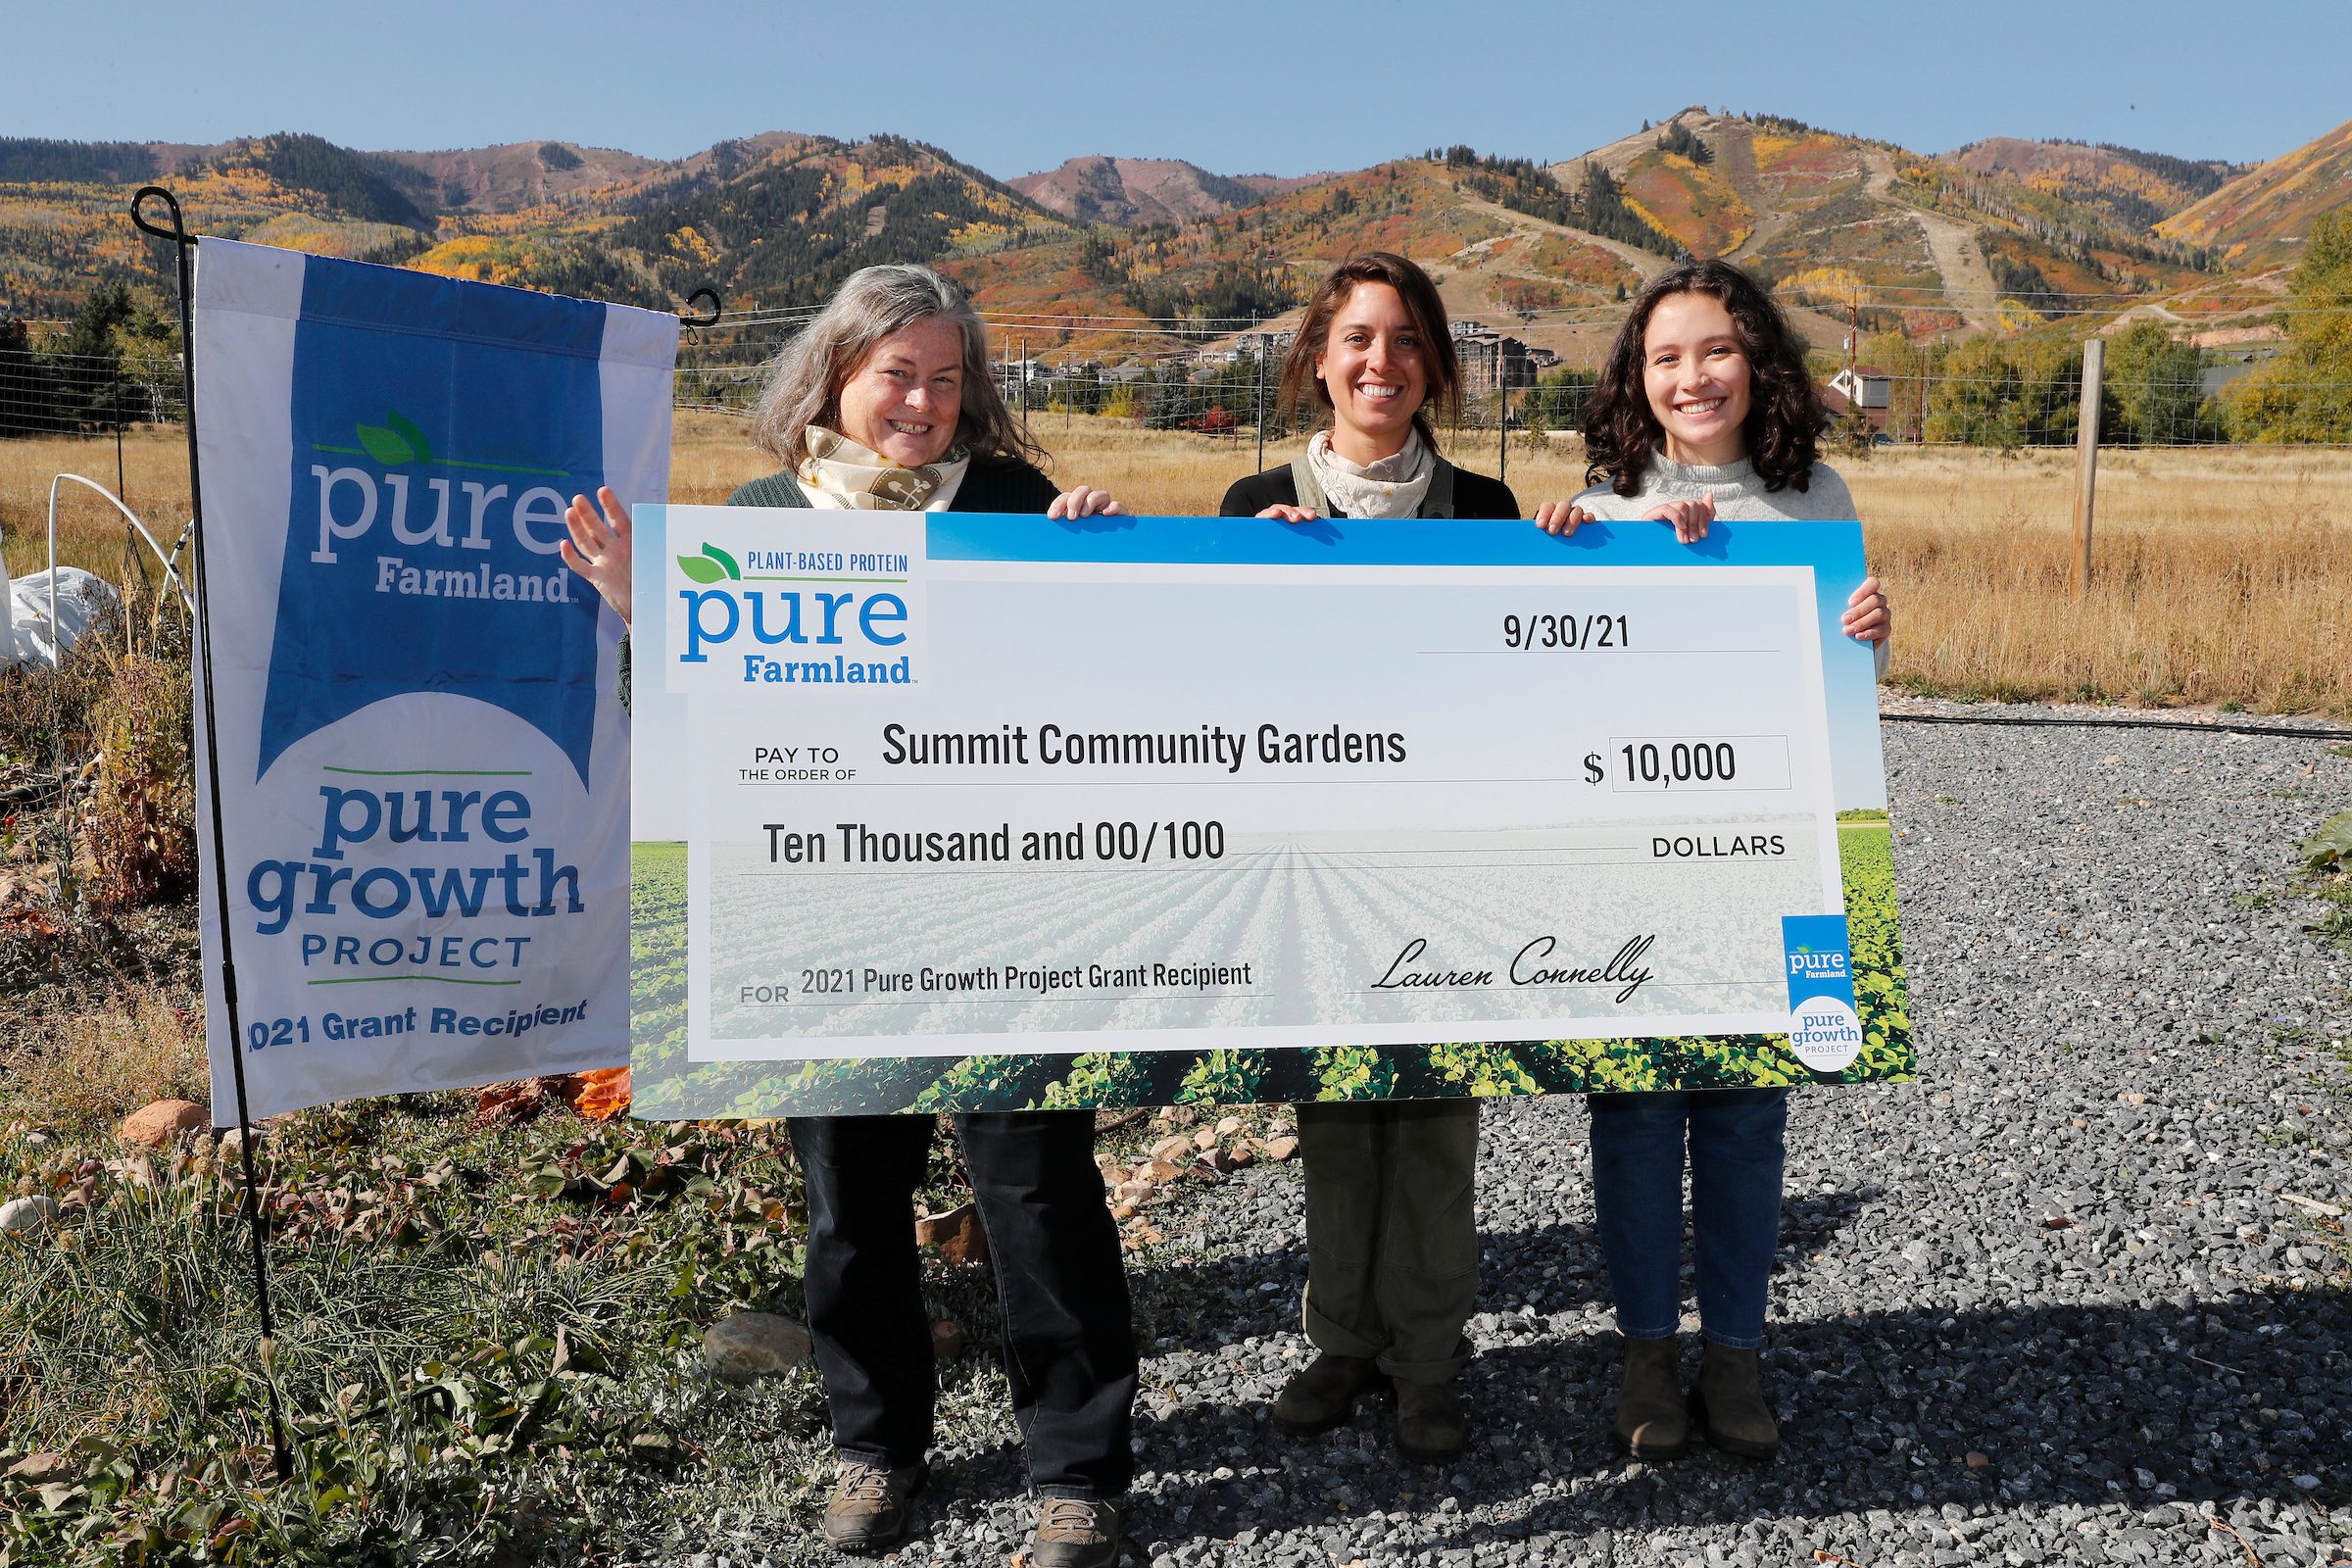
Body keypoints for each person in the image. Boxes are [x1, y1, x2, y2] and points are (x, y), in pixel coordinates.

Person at [562, 264, 1135, 1567]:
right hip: (827, 918)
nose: (923, 402)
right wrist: (648, 610)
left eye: (945, 378)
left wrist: (1098, 553)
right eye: (898, 375)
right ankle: (878, 1451)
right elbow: (702, 717)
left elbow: (1102, 678)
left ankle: (1078, 1473)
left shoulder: (1017, 505)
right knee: (849, 1202)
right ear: (834, 379)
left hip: (1002, 910)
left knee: (1036, 1193)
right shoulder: (760, 520)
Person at [1219, 252, 1581, 1466]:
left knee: (1433, 1118)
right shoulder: (1250, 501)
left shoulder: (1485, 509)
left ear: (1436, 368)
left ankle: (1429, 1359)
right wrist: (1246, 579)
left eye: (1409, 342)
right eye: (1360, 339)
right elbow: (1206, 682)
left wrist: (1584, 555)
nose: (1383, 362)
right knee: (1333, 1114)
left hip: (1444, 863)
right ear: (1317, 358)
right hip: (1312, 866)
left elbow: (1537, 673)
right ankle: (1342, 1342)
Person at [1536, 258, 1891, 1463]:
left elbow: (1833, 692)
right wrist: (1550, 561)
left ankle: (1733, 1356)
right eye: (1667, 357)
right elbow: (1553, 691)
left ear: (1760, 365)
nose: (1694, 376)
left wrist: (1866, 639)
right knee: (1634, 1115)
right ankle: (1646, 1357)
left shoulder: (1818, 497)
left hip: (1777, 862)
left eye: (1717, 351)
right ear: (1639, 379)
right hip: (1637, 870)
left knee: (1747, 1119)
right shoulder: (1602, 503)